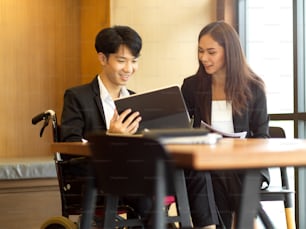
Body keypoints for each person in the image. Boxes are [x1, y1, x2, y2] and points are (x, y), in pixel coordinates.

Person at [181, 21, 270, 228]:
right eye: (201, 51)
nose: (204, 58)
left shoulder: (253, 88)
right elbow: (177, 125)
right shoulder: (192, 86)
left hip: (245, 164)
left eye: (211, 52)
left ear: (229, 52)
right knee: (204, 174)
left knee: (221, 177)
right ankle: (247, 223)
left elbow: (262, 136)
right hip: (206, 164)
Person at [60, 25, 154, 221]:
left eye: (134, 61)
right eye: (122, 61)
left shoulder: (136, 100)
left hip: (133, 173)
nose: (129, 69)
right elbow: (69, 146)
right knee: (148, 191)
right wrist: (110, 138)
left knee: (178, 177)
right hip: (94, 176)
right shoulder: (77, 96)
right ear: (103, 58)